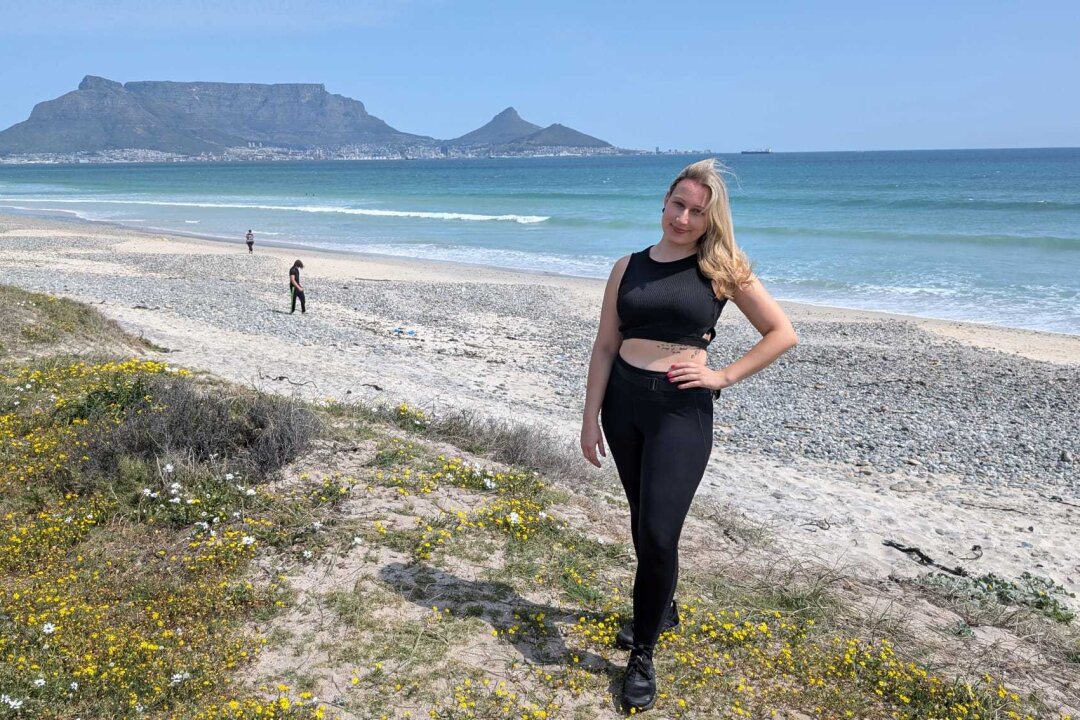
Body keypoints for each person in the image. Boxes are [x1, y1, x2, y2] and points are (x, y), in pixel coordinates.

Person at [579, 159, 798, 712]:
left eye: (697, 211)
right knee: (640, 518)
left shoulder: (720, 269)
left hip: (682, 413)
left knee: (658, 532)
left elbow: (782, 333)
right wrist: (589, 416)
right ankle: (663, 604)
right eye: (678, 204)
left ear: (710, 219)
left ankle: (642, 655)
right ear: (664, 203)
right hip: (622, 405)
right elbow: (606, 345)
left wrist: (721, 376)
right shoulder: (626, 266)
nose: (683, 217)